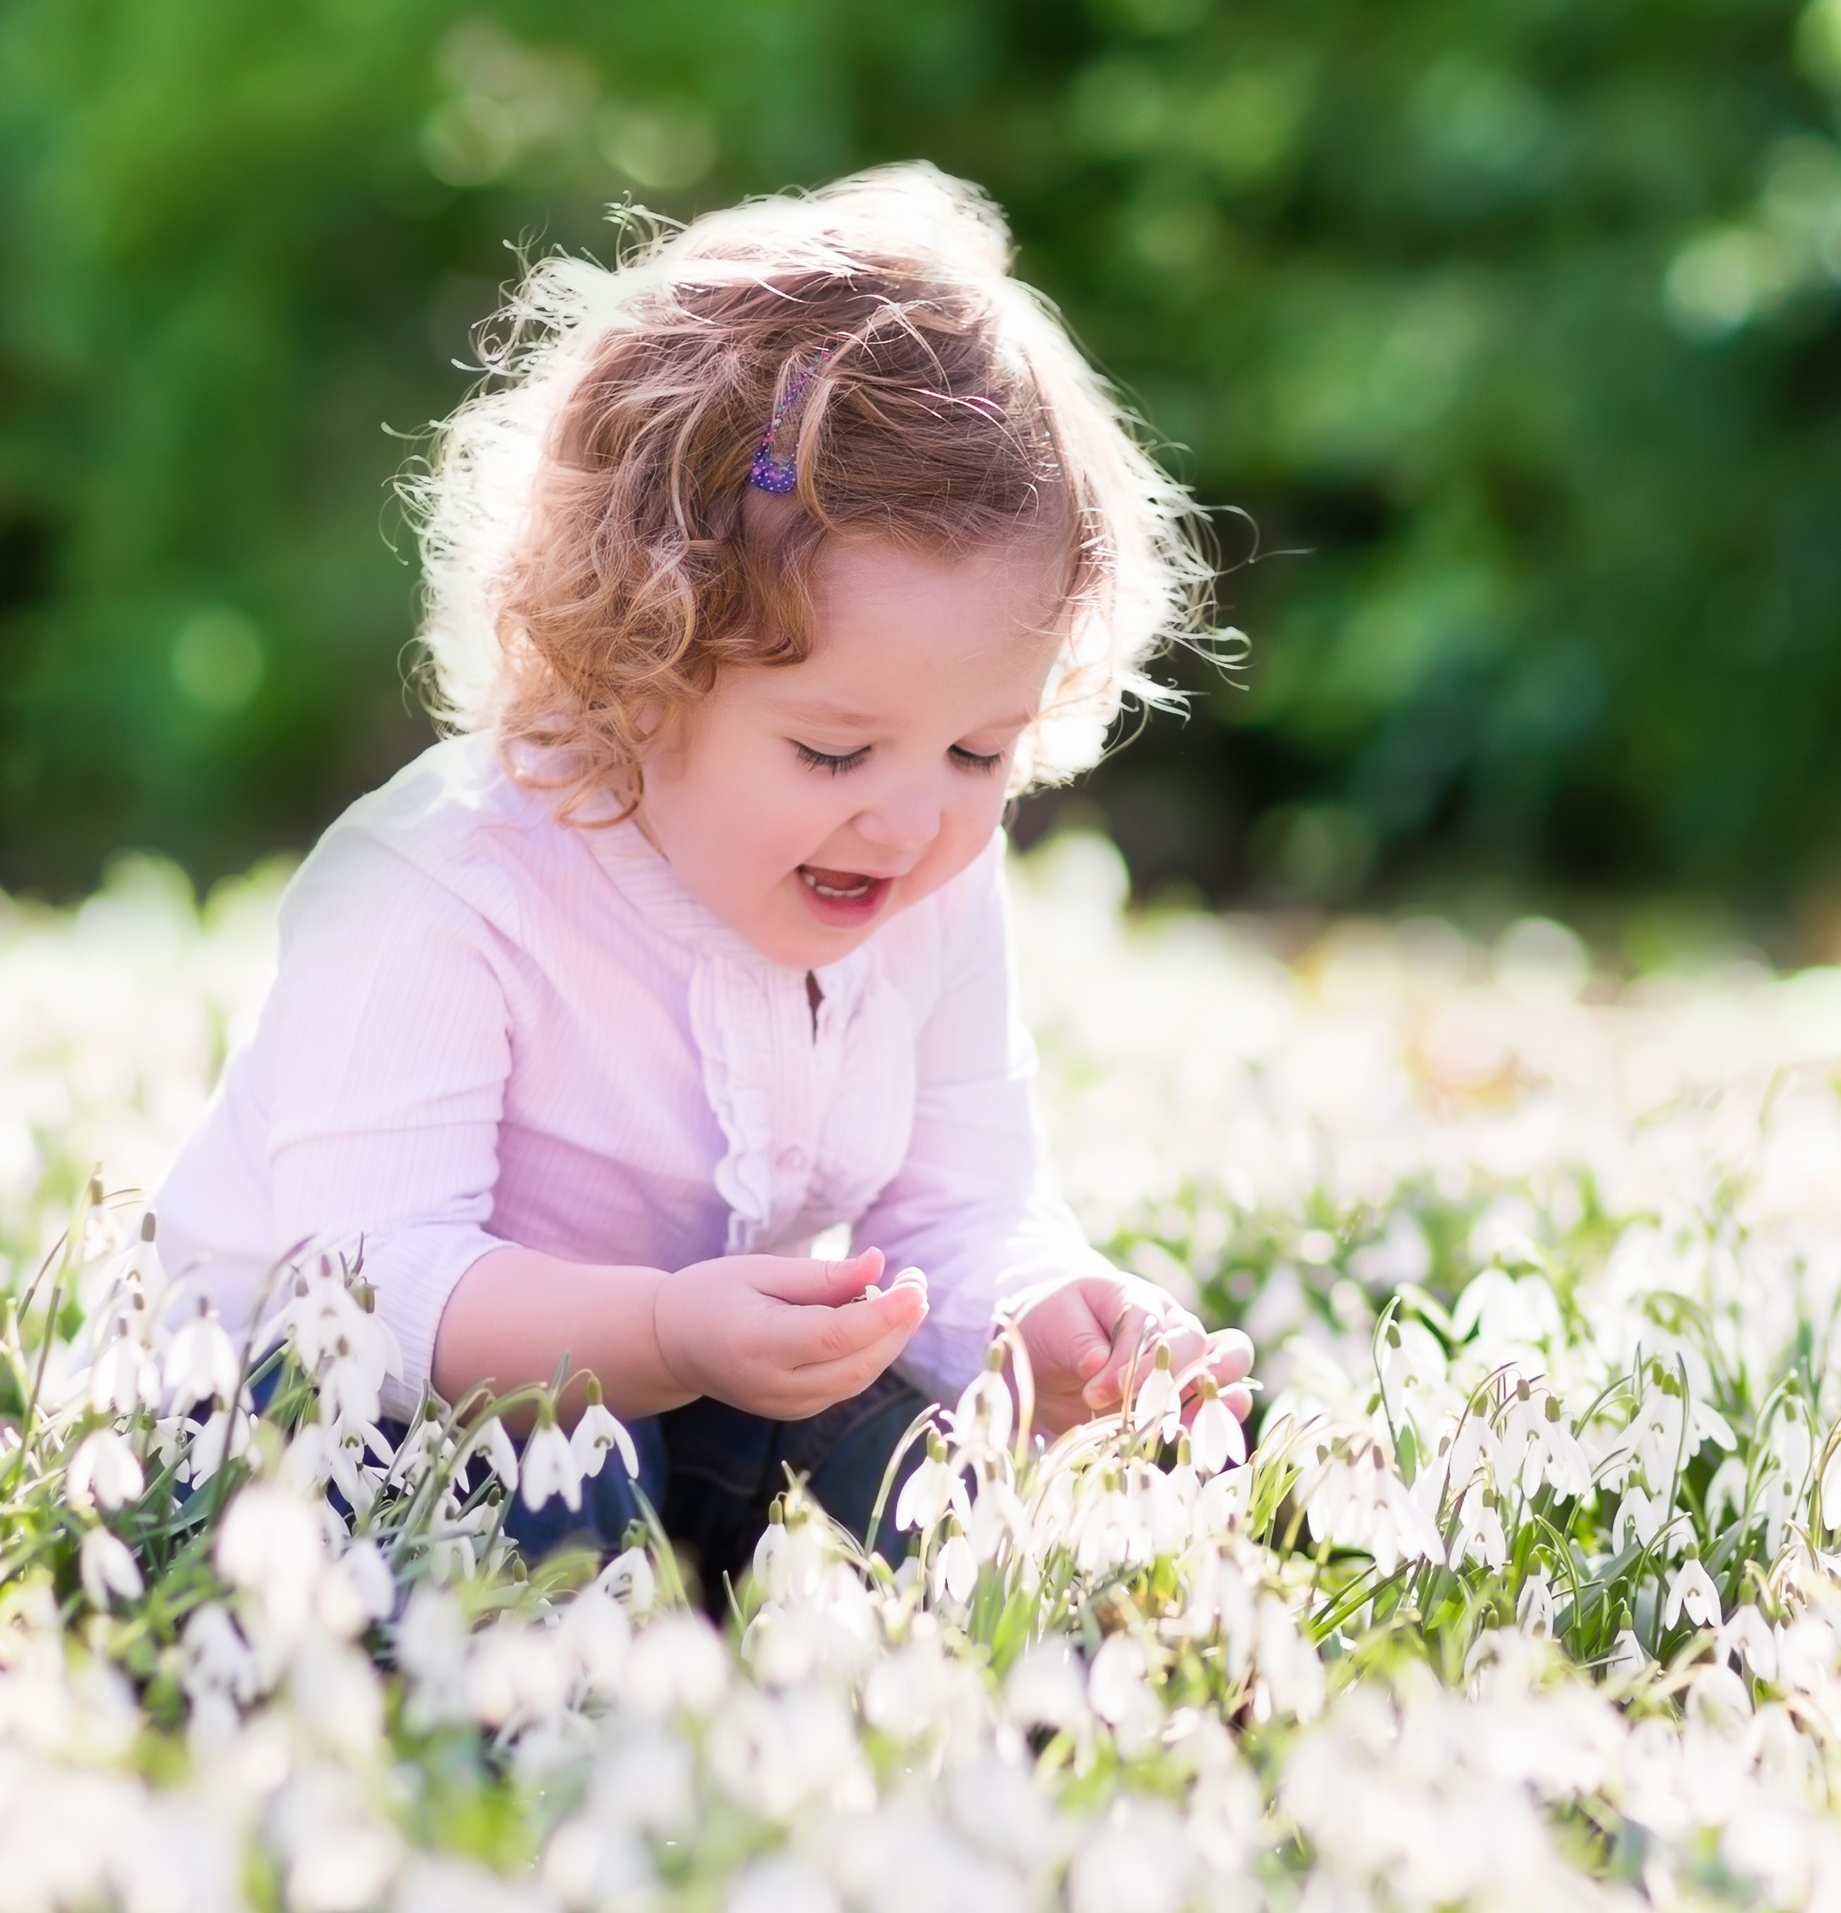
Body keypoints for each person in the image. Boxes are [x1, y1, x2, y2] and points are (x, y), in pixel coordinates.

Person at [153, 164, 1253, 1592]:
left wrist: (1043, 1312)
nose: (912, 820)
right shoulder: (441, 887)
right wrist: (665, 1331)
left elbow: (960, 1207)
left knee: (936, 1483)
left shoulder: (922, 887)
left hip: (695, 1386)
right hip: (341, 1421)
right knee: (553, 1503)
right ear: (637, 665)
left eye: (980, 750)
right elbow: (359, 1292)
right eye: (833, 749)